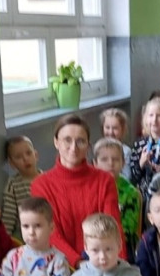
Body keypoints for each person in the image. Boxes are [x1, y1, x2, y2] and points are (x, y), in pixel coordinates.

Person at [32, 114, 124, 266]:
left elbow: (113, 228)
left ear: (88, 146)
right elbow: (51, 234)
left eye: (80, 141)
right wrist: (77, 262)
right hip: (58, 264)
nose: (73, 148)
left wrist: (117, 265)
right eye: (67, 140)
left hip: (102, 261)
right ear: (56, 142)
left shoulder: (104, 180)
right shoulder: (41, 185)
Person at [94, 137, 142, 259]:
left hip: (121, 243)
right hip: (93, 241)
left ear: (123, 163)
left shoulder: (130, 192)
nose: (110, 163)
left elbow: (130, 228)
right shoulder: (91, 189)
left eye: (115, 159)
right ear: (95, 163)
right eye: (104, 159)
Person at [130, 97, 160, 198]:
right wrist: (141, 163)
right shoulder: (139, 144)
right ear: (145, 119)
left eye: (159, 116)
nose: (154, 120)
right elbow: (133, 179)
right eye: (151, 115)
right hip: (144, 194)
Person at [1, 135, 40, 241]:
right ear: (12, 164)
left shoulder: (48, 179)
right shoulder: (13, 185)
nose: (25, 159)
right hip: (26, 237)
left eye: (28, 153)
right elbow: (8, 217)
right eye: (18, 157)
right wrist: (5, 240)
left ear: (35, 155)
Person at [101, 107, 133, 178]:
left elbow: (127, 177)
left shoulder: (126, 151)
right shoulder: (99, 149)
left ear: (123, 130)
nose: (110, 132)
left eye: (115, 128)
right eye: (107, 127)